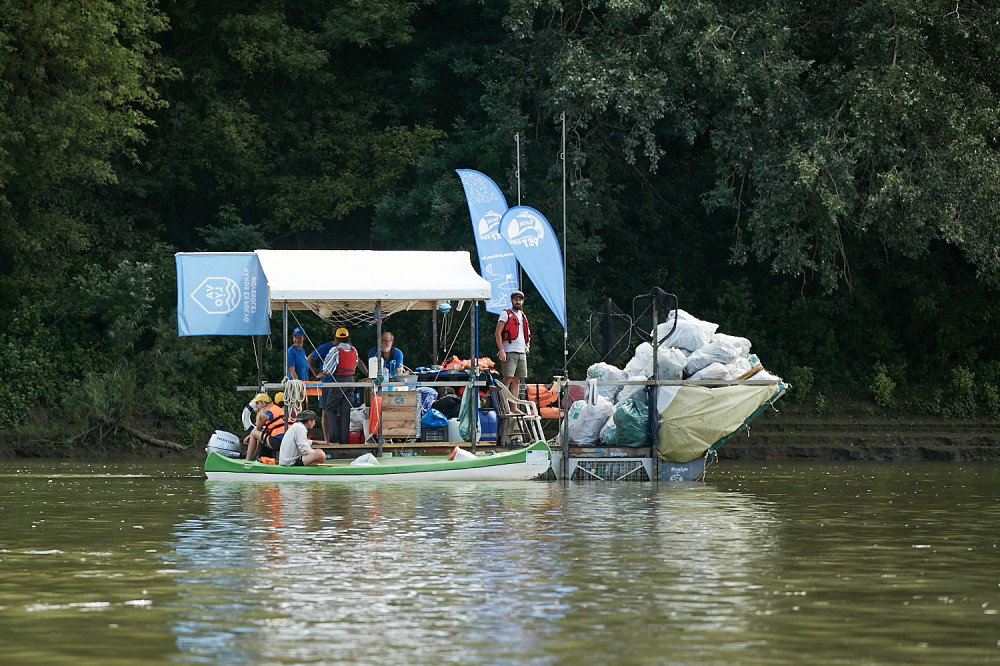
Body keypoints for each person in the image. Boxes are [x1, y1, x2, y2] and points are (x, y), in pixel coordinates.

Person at [309, 327, 358, 444]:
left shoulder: (335, 350)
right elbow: (355, 363)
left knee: (330, 409)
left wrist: (318, 373)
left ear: (336, 337)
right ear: (347, 338)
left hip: (338, 380)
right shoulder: (354, 350)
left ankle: (334, 439)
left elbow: (327, 369)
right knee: (346, 411)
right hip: (351, 381)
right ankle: (344, 440)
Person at [494, 289, 530, 411]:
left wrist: (527, 345)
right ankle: (504, 406)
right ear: (511, 300)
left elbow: (527, 333)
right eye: (516, 300)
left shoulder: (523, 316)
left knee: (517, 380)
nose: (518, 302)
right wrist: (501, 350)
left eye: (520, 300)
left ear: (522, 301)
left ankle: (514, 407)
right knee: (507, 378)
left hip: (521, 352)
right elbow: (498, 333)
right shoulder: (506, 313)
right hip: (509, 350)